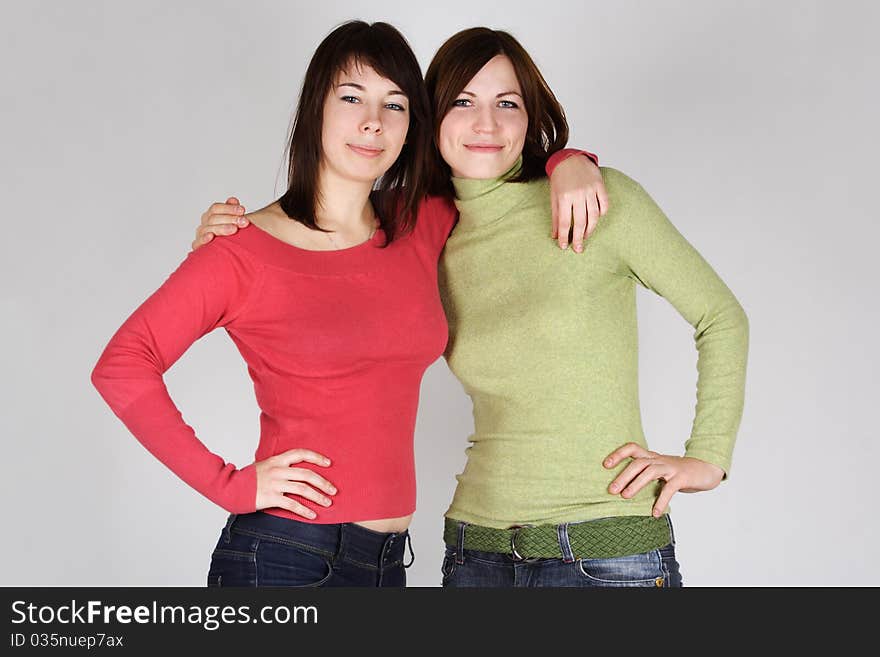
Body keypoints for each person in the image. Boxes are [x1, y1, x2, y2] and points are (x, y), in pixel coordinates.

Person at [197, 27, 749, 588]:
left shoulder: (598, 202)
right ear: (428, 120)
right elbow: (319, 242)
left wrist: (707, 456)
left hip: (606, 551)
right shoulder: (418, 230)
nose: (485, 124)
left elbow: (720, 316)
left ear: (530, 116)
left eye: (506, 103)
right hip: (475, 552)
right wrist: (233, 236)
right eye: (462, 102)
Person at [91, 21, 606, 588]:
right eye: (352, 97)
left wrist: (570, 161)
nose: (373, 122)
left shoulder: (420, 221)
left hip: (388, 564)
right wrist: (230, 486)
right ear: (316, 107)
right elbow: (122, 366)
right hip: (286, 556)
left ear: (412, 127)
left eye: (396, 104)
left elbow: (497, 165)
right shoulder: (241, 249)